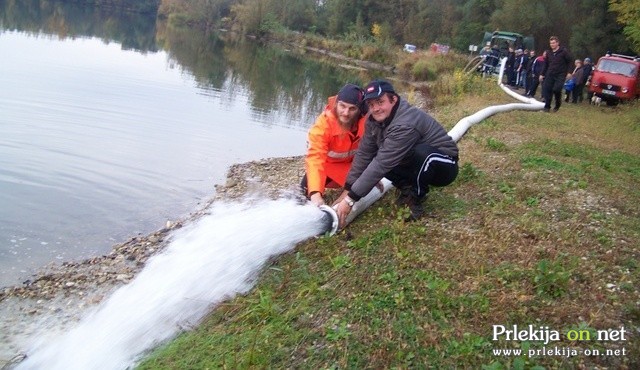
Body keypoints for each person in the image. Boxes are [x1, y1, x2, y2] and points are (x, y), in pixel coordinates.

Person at [334, 80, 459, 227]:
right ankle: (407, 187)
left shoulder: (405, 122)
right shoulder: (372, 120)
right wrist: (348, 189)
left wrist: (350, 200)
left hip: (444, 166)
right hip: (414, 160)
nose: (376, 108)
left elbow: (382, 163)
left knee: (419, 154)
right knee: (379, 155)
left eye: (380, 102)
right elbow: (364, 154)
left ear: (393, 99)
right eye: (371, 104)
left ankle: (414, 199)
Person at [301, 83, 367, 206]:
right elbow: (315, 157)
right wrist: (315, 193)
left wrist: (348, 194)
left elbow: (373, 154)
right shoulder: (324, 124)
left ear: (360, 110)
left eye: (352, 108)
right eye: (342, 106)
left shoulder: (369, 123)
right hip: (330, 168)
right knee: (305, 189)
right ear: (336, 103)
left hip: (356, 168)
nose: (346, 113)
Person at [539, 36, 573, 112]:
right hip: (550, 73)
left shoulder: (564, 52)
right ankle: (547, 107)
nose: (552, 45)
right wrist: (542, 74)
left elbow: (570, 62)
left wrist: (569, 72)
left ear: (557, 43)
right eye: (551, 43)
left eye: (554, 43)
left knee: (556, 89)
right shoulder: (548, 53)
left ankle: (557, 104)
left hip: (560, 74)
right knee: (547, 90)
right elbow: (546, 64)